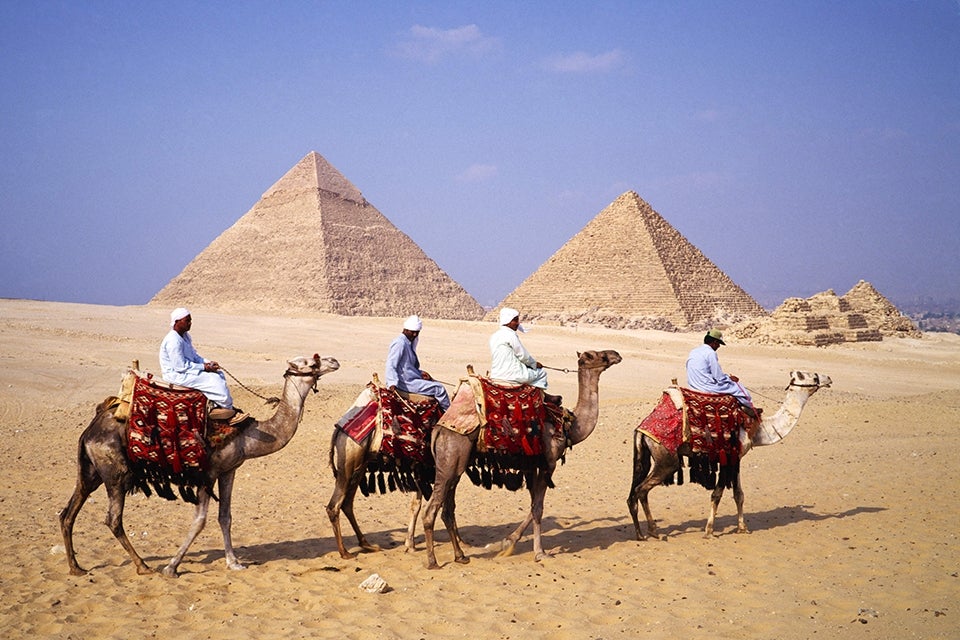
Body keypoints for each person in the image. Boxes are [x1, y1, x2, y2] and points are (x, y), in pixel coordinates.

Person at [159, 307, 239, 421]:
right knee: (213, 380)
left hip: (186, 370)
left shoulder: (185, 337)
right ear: (177, 322)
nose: (190, 323)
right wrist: (204, 368)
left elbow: (194, 356)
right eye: (187, 320)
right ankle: (229, 413)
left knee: (219, 374)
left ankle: (220, 406)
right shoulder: (173, 340)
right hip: (176, 375)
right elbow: (180, 366)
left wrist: (208, 363)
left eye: (190, 320)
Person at [489, 307, 560, 404]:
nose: (518, 323)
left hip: (496, 373)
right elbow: (523, 356)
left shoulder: (495, 336)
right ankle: (541, 401)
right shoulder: (510, 335)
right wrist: (534, 364)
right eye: (515, 320)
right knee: (541, 373)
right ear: (508, 321)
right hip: (512, 374)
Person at [685, 328, 757, 416]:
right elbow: (718, 377)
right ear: (715, 342)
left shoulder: (694, 351)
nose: (718, 346)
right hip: (706, 386)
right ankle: (749, 409)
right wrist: (730, 379)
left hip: (693, 384)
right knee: (739, 389)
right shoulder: (710, 353)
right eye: (718, 344)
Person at [385, 314, 450, 411]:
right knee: (439, 389)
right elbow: (391, 364)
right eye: (413, 332)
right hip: (405, 382)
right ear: (406, 330)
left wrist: (420, 373)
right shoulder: (400, 343)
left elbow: (407, 367)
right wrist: (392, 383)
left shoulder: (407, 343)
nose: (415, 335)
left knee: (433, 382)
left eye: (417, 332)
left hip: (411, 379)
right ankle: (449, 416)